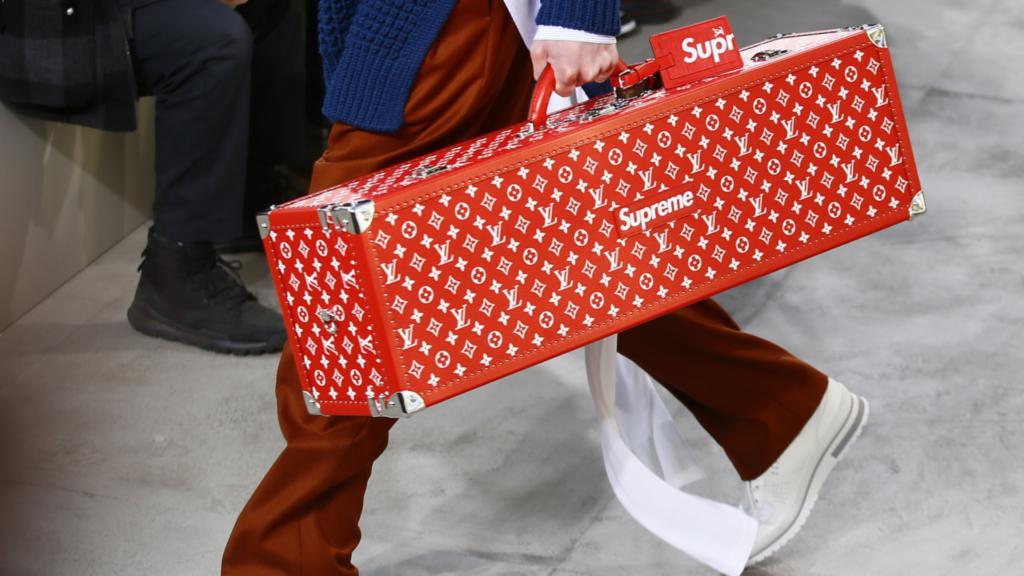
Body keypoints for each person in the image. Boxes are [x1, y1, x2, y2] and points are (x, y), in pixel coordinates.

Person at [221, 0, 869, 572]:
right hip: (446, 23)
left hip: (441, 24)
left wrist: (575, 9)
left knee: (343, 293)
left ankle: (282, 564)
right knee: (562, 239)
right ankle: (780, 410)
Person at [0, 0, 289, 355]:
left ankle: (249, 200)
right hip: (43, 17)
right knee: (213, 41)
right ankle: (178, 274)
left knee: (271, 6)